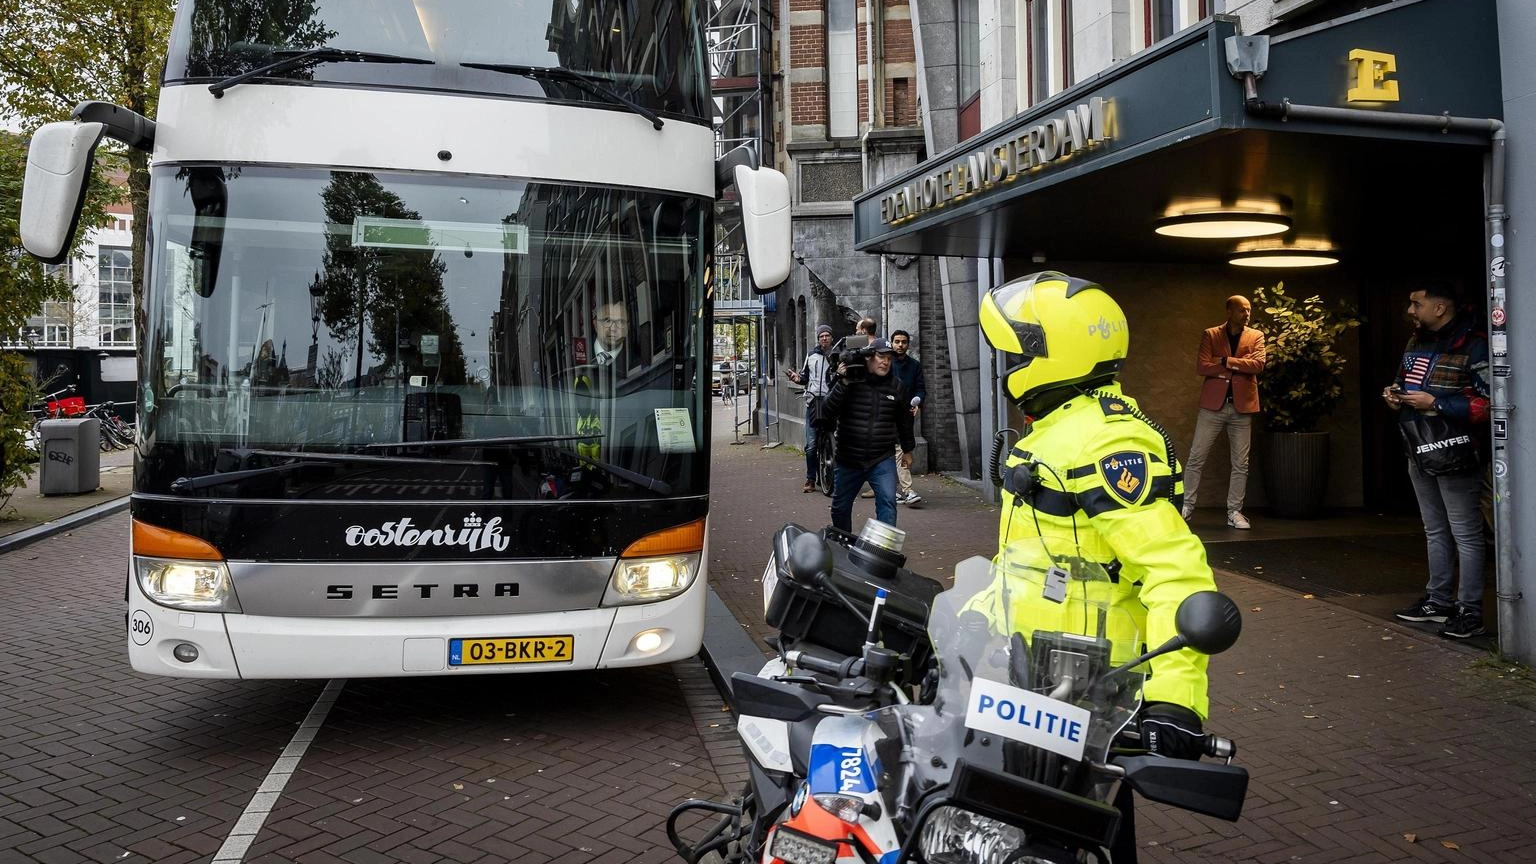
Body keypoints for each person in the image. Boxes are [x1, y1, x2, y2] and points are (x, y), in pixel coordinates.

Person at [977, 271, 1218, 766]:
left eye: (1018, 354)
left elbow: (1173, 570)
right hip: (1026, 680)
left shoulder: (1110, 442)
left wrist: (1175, 699)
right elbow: (1025, 562)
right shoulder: (1054, 429)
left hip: (1088, 690)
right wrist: (968, 627)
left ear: (1053, 354)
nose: (1009, 367)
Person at [1386, 284, 1490, 639]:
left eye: (1417, 303)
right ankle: (1439, 601)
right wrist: (1394, 395)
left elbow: (1491, 401)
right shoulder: (1417, 341)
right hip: (1418, 445)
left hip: (1456, 451)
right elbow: (1403, 381)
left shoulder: (1475, 343)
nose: (1411, 310)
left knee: (1465, 532)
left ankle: (1470, 611)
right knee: (1435, 529)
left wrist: (1437, 403)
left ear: (1441, 307)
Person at [1182, 295, 1266, 529]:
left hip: (1242, 408)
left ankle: (1235, 512)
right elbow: (1202, 366)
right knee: (1196, 457)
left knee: (1241, 463)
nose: (1247, 314)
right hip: (1213, 407)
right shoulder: (1211, 335)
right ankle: (1186, 506)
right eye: (1241, 310)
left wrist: (1226, 361)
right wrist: (1241, 364)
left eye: (1248, 310)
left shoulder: (1256, 336)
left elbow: (1258, 365)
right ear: (1229, 311)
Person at [821, 337, 915, 532]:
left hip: (881, 458)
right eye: (881, 356)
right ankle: (843, 543)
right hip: (849, 459)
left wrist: (908, 450)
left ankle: (883, 551)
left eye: (889, 358)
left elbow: (904, 422)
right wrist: (842, 383)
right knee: (840, 507)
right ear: (869, 358)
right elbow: (827, 412)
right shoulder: (850, 382)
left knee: (888, 503)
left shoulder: (897, 387)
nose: (886, 362)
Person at [786, 325, 834, 493]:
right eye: (822, 336)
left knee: (835, 440)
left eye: (827, 336)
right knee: (812, 445)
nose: (825, 338)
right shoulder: (811, 355)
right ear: (818, 338)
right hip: (813, 403)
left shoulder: (836, 355)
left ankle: (833, 473)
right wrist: (796, 378)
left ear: (831, 338)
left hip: (830, 402)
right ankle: (810, 479)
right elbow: (804, 377)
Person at [890, 329, 926, 505]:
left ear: (908, 344)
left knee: (904, 450)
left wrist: (917, 401)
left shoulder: (914, 365)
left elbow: (920, 388)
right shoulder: (886, 364)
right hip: (888, 413)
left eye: (903, 342)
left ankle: (893, 488)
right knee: (898, 450)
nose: (900, 345)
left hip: (906, 413)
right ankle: (907, 489)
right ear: (892, 343)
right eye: (897, 341)